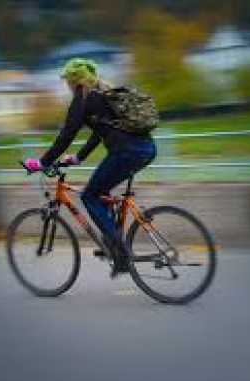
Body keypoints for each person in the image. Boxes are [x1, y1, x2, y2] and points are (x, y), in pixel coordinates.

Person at [24, 58, 157, 278]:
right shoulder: (103, 94)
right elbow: (99, 133)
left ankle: (120, 250)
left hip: (126, 152)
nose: (67, 86)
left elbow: (67, 134)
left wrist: (42, 162)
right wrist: (78, 158)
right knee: (101, 192)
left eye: (67, 81)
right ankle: (113, 245)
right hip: (147, 149)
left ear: (74, 81)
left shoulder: (83, 98)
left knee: (89, 196)